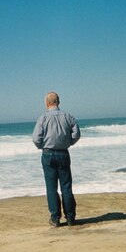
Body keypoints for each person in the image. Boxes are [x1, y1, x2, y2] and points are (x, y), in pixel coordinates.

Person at [32, 92, 81, 227]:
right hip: (63, 153)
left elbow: (36, 138)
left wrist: (43, 146)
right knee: (66, 187)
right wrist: (68, 143)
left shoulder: (43, 118)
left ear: (47, 103)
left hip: (48, 154)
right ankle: (70, 217)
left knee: (51, 188)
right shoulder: (68, 116)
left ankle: (55, 218)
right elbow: (76, 134)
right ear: (58, 102)